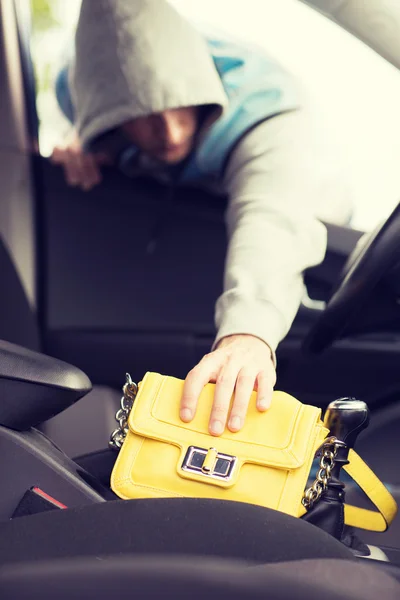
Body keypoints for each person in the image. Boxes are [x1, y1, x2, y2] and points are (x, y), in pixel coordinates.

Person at [51, 0, 352, 437]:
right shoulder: (79, 90)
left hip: (301, 213)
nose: (170, 132)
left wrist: (248, 334)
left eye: (181, 105)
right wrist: (83, 138)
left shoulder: (269, 112)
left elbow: (271, 217)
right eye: (143, 117)